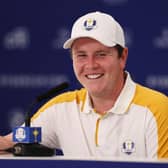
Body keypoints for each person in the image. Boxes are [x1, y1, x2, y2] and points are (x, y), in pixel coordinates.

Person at [0, 11, 168, 158]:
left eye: (101, 54)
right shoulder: (61, 108)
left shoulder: (157, 109)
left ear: (122, 57)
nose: (91, 65)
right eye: (81, 55)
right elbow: (7, 143)